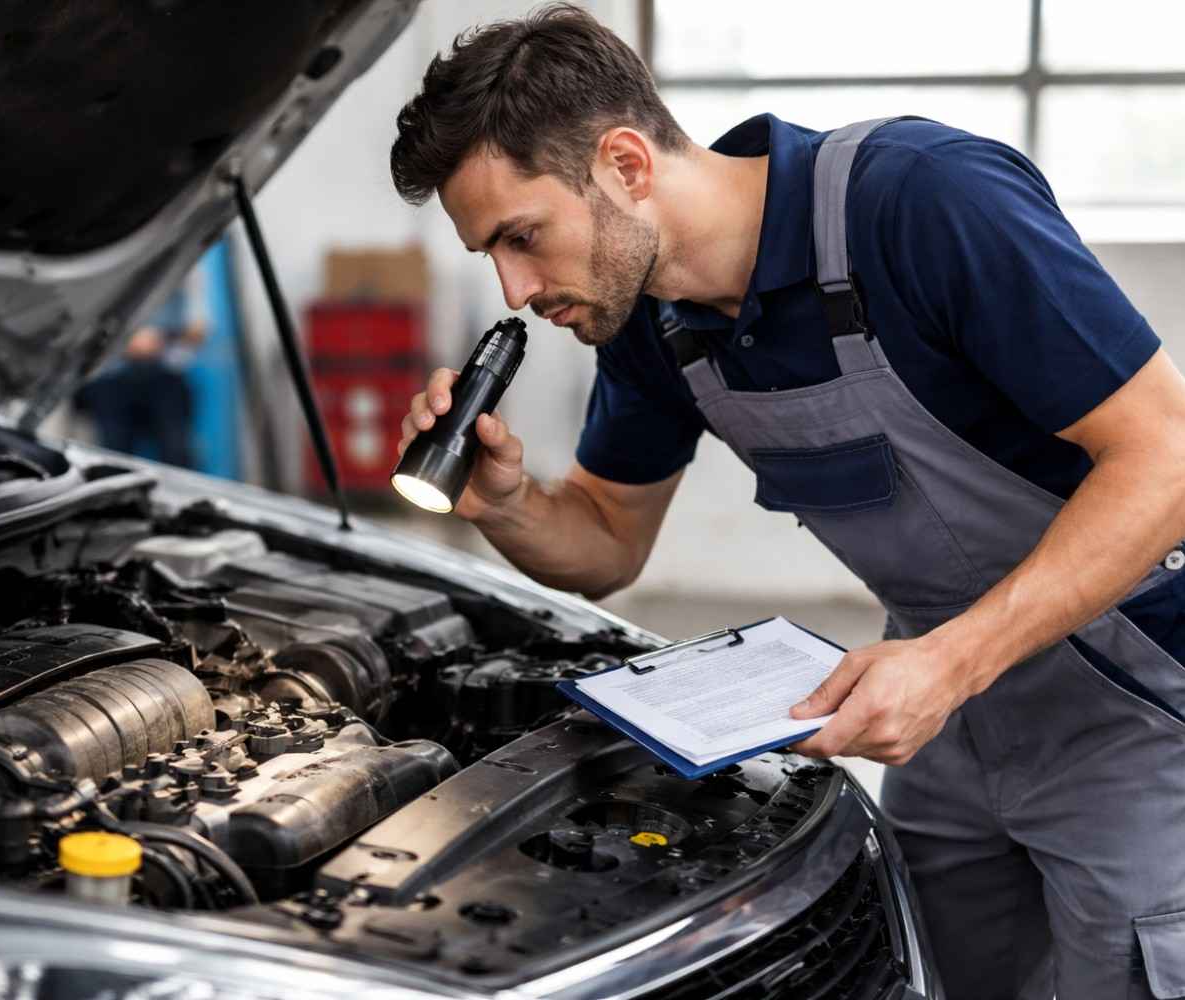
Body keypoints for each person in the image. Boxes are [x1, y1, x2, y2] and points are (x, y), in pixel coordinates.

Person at [390, 5, 1185, 997]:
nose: (512, 288)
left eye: (522, 236)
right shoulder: (648, 321)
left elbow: (1167, 460)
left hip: (1139, 703)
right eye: (490, 256)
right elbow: (606, 542)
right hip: (944, 713)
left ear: (626, 165)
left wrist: (948, 663)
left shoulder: (921, 202)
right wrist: (503, 503)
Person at [77, 286, 205, 468]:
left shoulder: (181, 267)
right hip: (111, 378)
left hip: (166, 378)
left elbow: (199, 329)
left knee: (177, 452)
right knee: (113, 457)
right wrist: (124, 340)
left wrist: (162, 336)